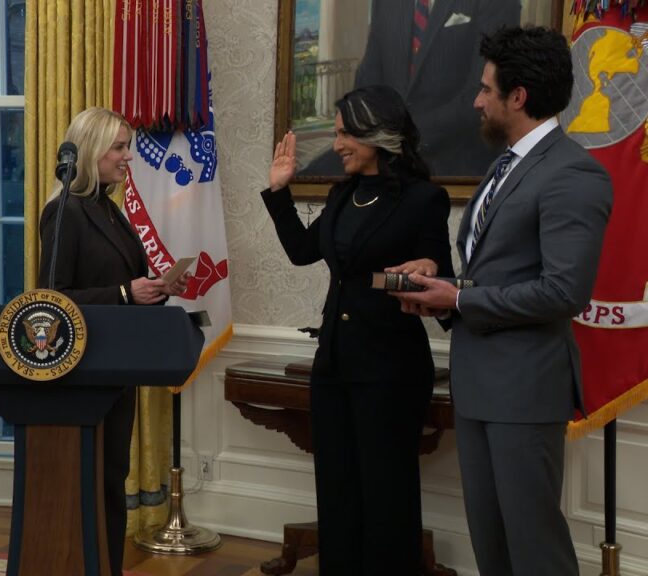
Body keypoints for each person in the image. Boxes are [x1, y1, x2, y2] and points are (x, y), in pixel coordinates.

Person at [394, 26, 612, 575]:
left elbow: (565, 291)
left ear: (518, 97)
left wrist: (461, 299)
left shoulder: (573, 174)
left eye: (486, 89)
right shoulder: (505, 165)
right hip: (480, 385)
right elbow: (496, 274)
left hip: (524, 391)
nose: (476, 99)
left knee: (534, 550)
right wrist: (442, 286)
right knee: (493, 548)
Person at [262, 85, 453, 574]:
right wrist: (279, 190)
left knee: (388, 497)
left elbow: (440, 271)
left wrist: (429, 265)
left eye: (345, 132)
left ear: (378, 135)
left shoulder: (423, 198)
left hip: (391, 370)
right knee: (338, 492)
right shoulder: (342, 194)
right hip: (335, 366)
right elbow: (304, 251)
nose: (337, 141)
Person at [37, 106, 189, 576]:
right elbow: (52, 300)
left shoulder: (109, 209)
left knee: (110, 481)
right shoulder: (63, 212)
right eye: (119, 148)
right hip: (83, 374)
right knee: (94, 483)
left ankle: (109, 568)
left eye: (128, 147)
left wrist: (157, 288)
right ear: (90, 152)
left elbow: (128, 284)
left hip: (115, 369)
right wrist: (126, 293)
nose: (128, 158)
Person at [304, 0, 520, 177]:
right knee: (309, 177)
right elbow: (368, 78)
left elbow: (481, 96)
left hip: (452, 150)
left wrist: (402, 137)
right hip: (385, 146)